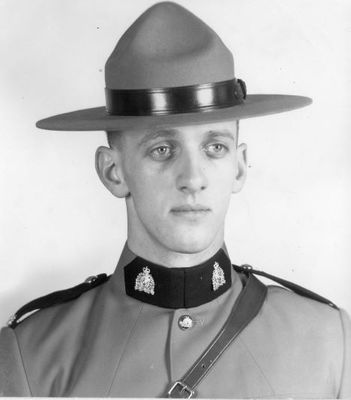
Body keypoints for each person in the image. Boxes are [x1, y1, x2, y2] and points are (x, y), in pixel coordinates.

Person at [0, 1, 350, 398]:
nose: (193, 179)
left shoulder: (329, 345)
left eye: (215, 147)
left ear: (239, 167)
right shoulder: (30, 357)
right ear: (113, 172)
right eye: (162, 150)